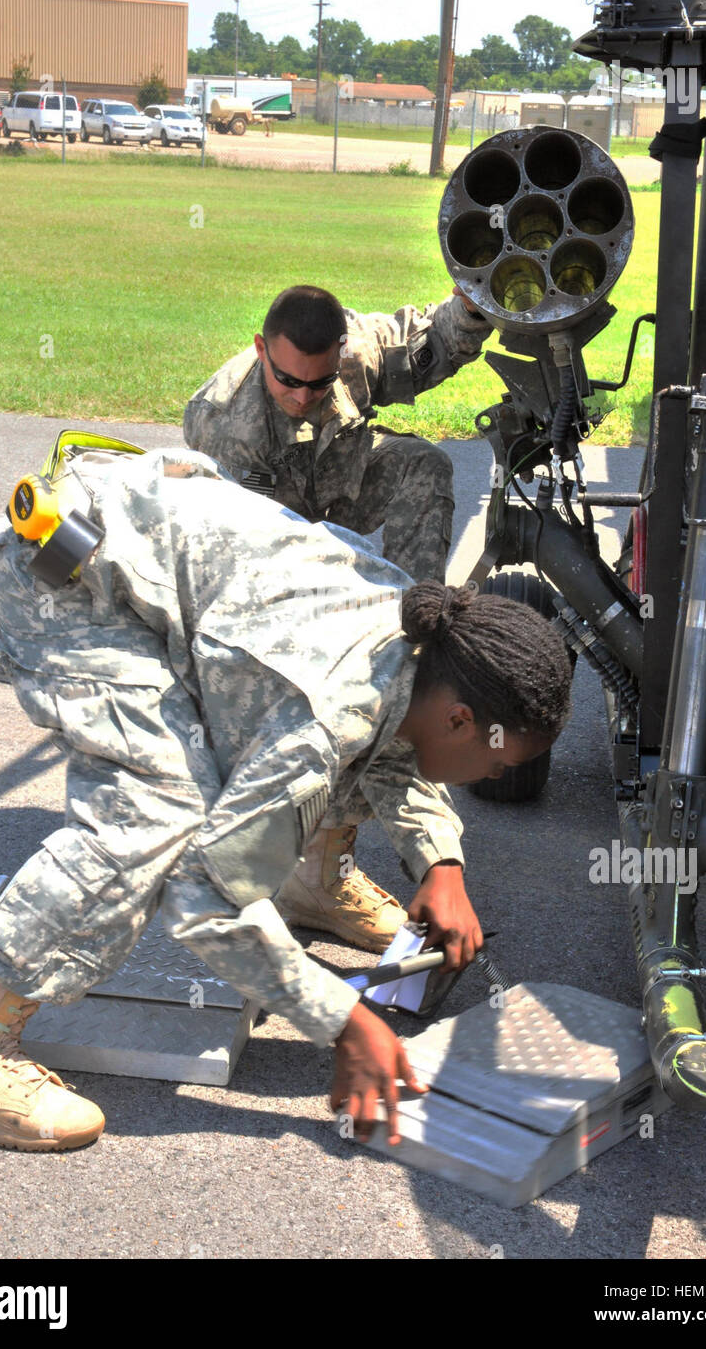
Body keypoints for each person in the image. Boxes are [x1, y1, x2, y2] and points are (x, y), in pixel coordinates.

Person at [0, 444, 572, 1153]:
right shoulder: (326, 711)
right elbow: (206, 896)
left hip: (146, 557)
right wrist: (345, 1022)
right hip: (69, 581)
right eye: (493, 761)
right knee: (158, 811)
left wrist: (440, 862)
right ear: (460, 719)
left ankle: (311, 886)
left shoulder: (424, 644)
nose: (483, 780)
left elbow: (392, 743)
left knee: (351, 757)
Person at [183, 284, 493, 952]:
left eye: (316, 384)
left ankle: (419, 631)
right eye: (287, 380)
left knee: (420, 466)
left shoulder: (357, 353)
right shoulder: (221, 420)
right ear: (261, 349)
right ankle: (304, 869)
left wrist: (473, 305)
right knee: (330, 693)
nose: (301, 396)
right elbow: (241, 564)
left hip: (335, 496)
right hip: (265, 552)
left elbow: (431, 341)